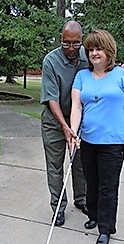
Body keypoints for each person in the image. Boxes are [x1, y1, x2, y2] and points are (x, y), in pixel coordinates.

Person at [70, 29, 124, 244]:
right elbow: (76, 107)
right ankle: (95, 216)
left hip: (113, 142)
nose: (94, 53)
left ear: (109, 51)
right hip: (88, 140)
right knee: (92, 183)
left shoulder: (122, 75)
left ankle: (106, 228)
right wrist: (73, 133)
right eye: (90, 49)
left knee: (107, 187)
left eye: (99, 49)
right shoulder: (82, 76)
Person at [40, 20, 88, 226]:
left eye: (76, 43)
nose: (71, 48)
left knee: (79, 163)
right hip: (54, 121)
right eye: (66, 43)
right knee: (55, 166)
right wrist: (65, 127)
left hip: (80, 121)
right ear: (61, 40)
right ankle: (58, 207)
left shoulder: (89, 56)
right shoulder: (50, 61)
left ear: (81, 40)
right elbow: (52, 99)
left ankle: (81, 199)